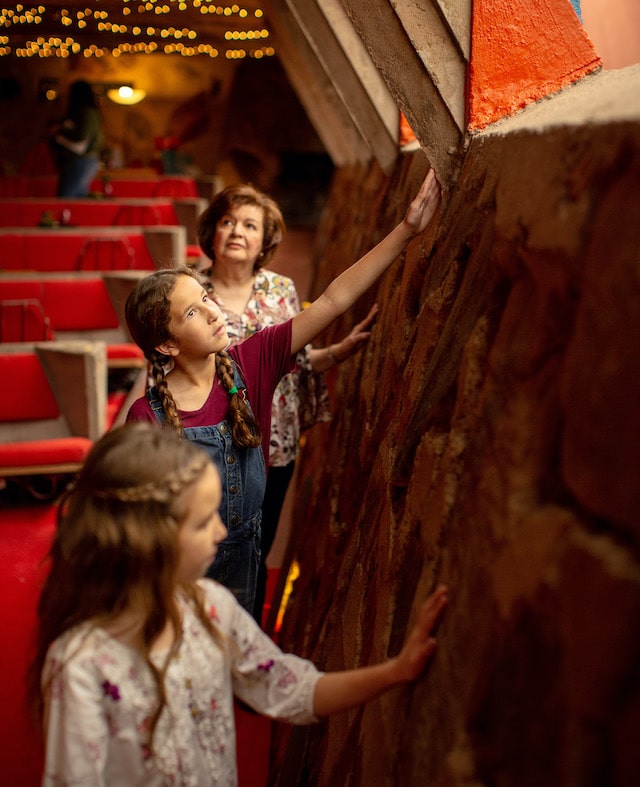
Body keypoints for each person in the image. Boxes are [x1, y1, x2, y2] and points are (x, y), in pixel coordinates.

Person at [28, 423, 449, 786]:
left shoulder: (210, 609)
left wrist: (394, 671)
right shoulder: (82, 665)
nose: (219, 531)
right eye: (202, 520)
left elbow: (291, 688)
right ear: (148, 538)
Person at [125, 168, 441, 614]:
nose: (214, 312)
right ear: (167, 343)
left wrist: (407, 230)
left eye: (207, 298)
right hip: (178, 581)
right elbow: (138, 527)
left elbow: (333, 300)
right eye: (194, 311)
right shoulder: (147, 416)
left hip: (245, 575)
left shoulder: (252, 362)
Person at [196, 182, 379, 623]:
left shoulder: (281, 290)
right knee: (204, 544)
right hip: (205, 442)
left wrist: (337, 352)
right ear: (212, 233)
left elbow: (291, 360)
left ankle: (248, 637)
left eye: (249, 224)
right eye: (227, 221)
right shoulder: (188, 290)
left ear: (264, 239)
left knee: (258, 542)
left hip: (271, 444)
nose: (237, 231)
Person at [50, 79, 103, 198]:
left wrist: (59, 132)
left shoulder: (87, 113)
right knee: (75, 195)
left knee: (67, 197)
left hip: (82, 160)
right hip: (83, 160)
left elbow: (81, 139)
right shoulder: (87, 112)